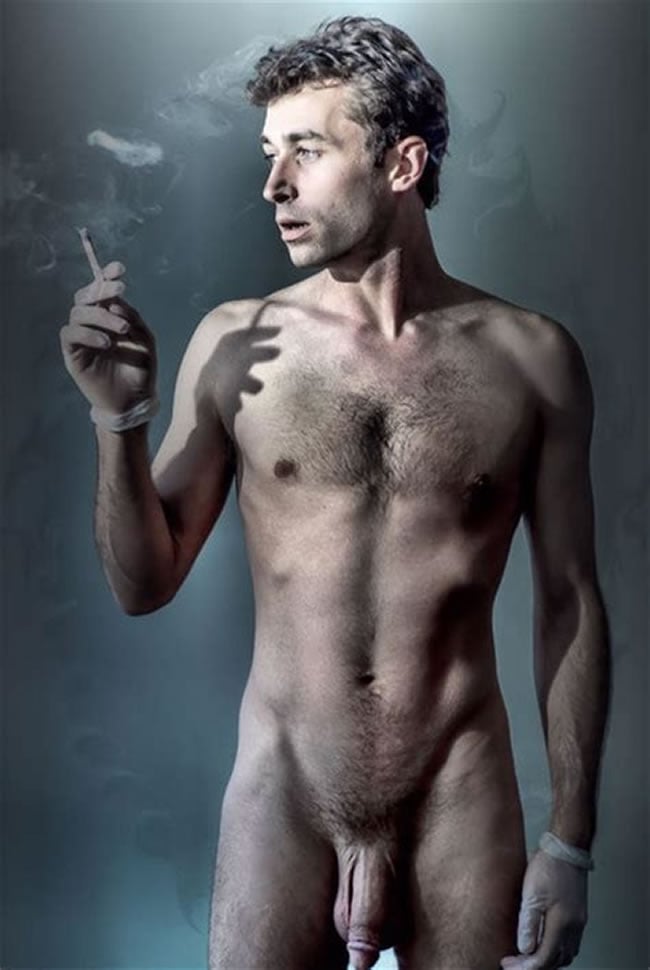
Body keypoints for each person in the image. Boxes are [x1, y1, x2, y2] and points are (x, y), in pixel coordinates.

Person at [59, 16, 611, 970]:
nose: (273, 185)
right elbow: (142, 584)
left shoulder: (533, 360)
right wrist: (120, 421)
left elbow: (570, 601)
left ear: (401, 164)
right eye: (269, 154)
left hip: (458, 787)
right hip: (285, 787)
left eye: (305, 152)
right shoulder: (236, 344)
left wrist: (571, 843)